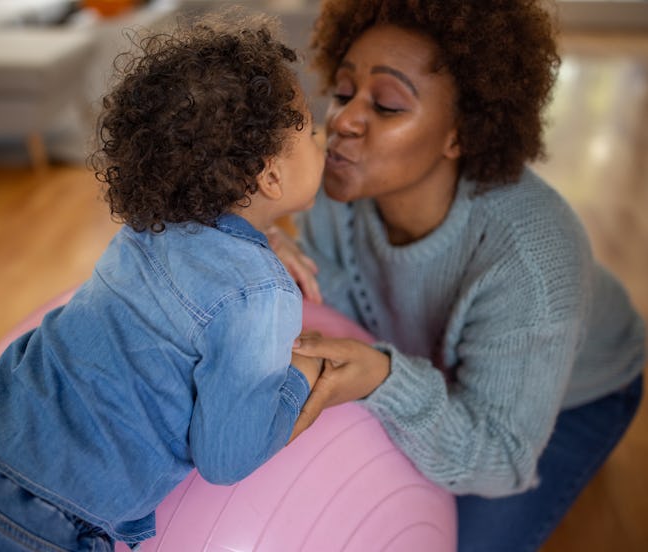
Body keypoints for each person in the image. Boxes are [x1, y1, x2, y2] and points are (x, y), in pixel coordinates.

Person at [0, 12, 326, 552]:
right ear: (271, 174)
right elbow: (226, 457)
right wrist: (300, 378)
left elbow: (206, 259)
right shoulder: (262, 295)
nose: (324, 139)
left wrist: (269, 236)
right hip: (29, 527)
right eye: (313, 131)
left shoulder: (148, 230)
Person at [271, 1, 645, 550]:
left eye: (389, 105)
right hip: (431, 366)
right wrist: (256, 250)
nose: (344, 120)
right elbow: (341, 315)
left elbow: (500, 457)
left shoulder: (530, 257)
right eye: (345, 92)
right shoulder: (335, 187)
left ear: (460, 133)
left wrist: (385, 380)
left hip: (574, 395)